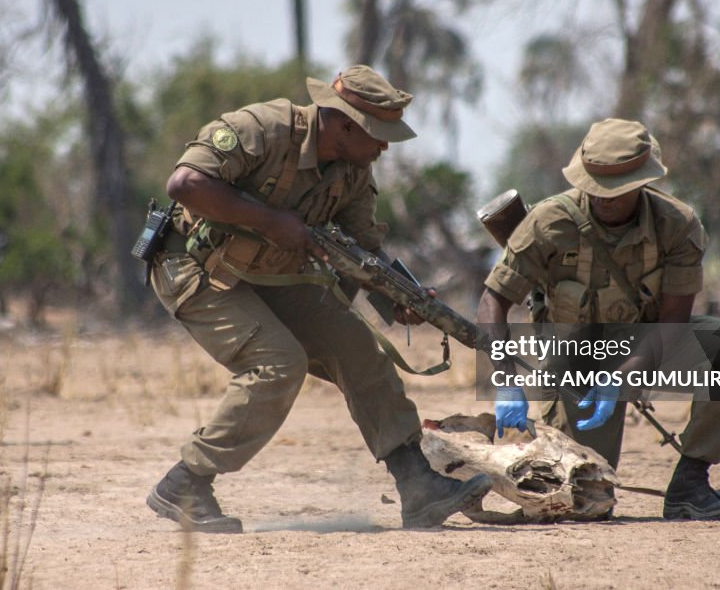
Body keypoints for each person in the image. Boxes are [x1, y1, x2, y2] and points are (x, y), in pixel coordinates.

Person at [145, 65, 491, 533]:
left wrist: (399, 297)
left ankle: (417, 484)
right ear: (344, 123)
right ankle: (187, 481)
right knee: (278, 363)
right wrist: (270, 221)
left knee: (357, 350)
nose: (385, 146)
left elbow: (366, 250)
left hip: (270, 272)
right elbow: (185, 185)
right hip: (193, 265)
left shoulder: (352, 172)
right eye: (377, 133)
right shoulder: (260, 130)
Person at [476, 118, 720, 520]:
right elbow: (493, 301)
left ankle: (690, 485)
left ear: (643, 182)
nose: (603, 198)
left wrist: (624, 374)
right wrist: (504, 380)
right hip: (577, 357)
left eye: (616, 191)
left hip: (649, 347)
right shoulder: (549, 222)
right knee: (585, 501)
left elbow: (673, 322)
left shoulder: (677, 225)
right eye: (595, 185)